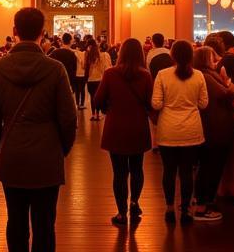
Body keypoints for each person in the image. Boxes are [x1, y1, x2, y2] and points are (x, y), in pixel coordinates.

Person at [0, 6, 77, 252]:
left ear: (14, 30)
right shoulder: (54, 69)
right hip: (46, 154)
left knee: (16, 220)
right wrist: (61, 147)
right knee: (44, 223)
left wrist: (1, 143)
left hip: (13, 155)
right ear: (42, 32)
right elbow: (68, 118)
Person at [94, 38, 153, 225]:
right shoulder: (145, 75)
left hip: (116, 127)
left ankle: (121, 212)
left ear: (121, 53)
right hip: (138, 127)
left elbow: (97, 99)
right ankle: (135, 202)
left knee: (119, 172)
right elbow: (151, 101)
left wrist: (106, 108)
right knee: (137, 169)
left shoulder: (111, 73)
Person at [151, 39, 208, 225]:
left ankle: (169, 208)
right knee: (186, 172)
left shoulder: (162, 74)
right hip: (191, 130)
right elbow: (203, 103)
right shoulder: (198, 75)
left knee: (169, 171)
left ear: (172, 55)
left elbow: (156, 103)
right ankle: (185, 209)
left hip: (168, 130)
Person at [192, 45, 234, 222]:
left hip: (210, 127)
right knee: (210, 168)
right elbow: (227, 94)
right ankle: (203, 207)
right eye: (213, 58)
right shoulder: (206, 76)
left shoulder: (202, 75)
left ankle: (202, 201)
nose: (217, 61)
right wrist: (229, 83)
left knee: (206, 167)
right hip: (214, 129)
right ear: (206, 60)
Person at [85, 39, 112, 120]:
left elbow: (84, 66)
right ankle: (97, 114)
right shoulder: (102, 55)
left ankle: (93, 114)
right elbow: (105, 67)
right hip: (99, 79)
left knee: (92, 97)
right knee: (98, 97)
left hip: (90, 80)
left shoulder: (88, 55)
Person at [73, 41, 87, 110]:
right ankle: (82, 104)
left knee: (77, 90)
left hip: (76, 74)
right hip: (83, 74)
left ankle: (77, 104)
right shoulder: (85, 54)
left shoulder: (75, 53)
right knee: (82, 90)